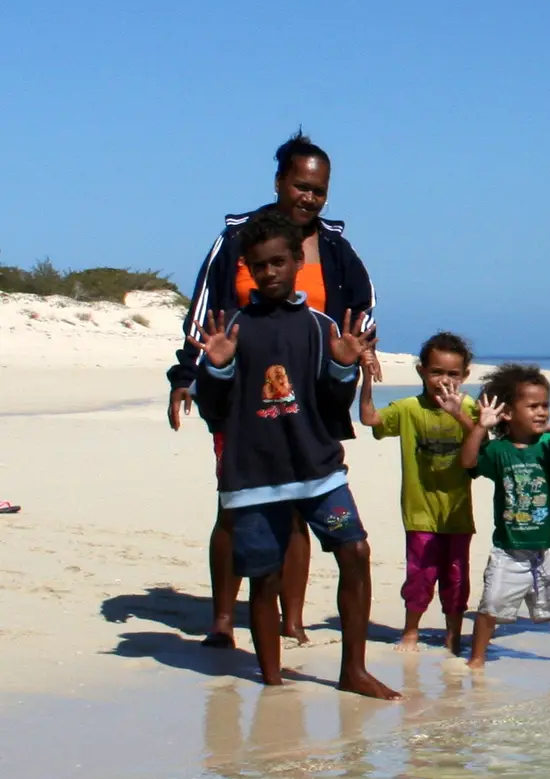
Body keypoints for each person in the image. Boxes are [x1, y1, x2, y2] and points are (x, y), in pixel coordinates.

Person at [167, 130, 380, 649]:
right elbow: (205, 314)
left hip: (311, 397)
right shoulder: (240, 238)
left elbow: (363, 309)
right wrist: (186, 376)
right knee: (236, 503)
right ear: (280, 181)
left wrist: (349, 358)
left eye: (319, 189)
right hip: (241, 394)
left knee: (301, 503)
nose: (309, 197)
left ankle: (293, 618)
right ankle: (221, 619)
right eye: (301, 185)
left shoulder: (335, 246)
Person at [186, 210, 398, 700]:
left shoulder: (320, 326)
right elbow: (215, 411)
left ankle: (354, 669)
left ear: (297, 261)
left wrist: (344, 368)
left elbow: (330, 404)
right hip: (254, 477)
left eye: (279, 262)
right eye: (260, 266)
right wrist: (213, 371)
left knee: (356, 552)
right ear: (248, 268)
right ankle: (273, 680)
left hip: (317, 469)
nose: (271, 273)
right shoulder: (232, 328)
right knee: (263, 578)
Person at [453, 364, 550, 669]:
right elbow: (468, 460)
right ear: (508, 413)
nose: (541, 413)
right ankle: (477, 659)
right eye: (533, 406)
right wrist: (481, 428)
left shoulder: (549, 445)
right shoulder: (499, 450)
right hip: (508, 548)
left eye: (545, 406)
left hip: (547, 547)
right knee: (491, 605)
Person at [359, 331, 478, 654]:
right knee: (420, 576)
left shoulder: (471, 408)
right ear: (421, 371)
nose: (444, 380)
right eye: (436, 372)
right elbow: (370, 418)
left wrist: (459, 416)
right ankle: (410, 631)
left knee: (456, 578)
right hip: (419, 511)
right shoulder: (409, 408)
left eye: (453, 374)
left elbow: (485, 446)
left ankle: (453, 634)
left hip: (457, 513)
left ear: (465, 375)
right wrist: (366, 376)